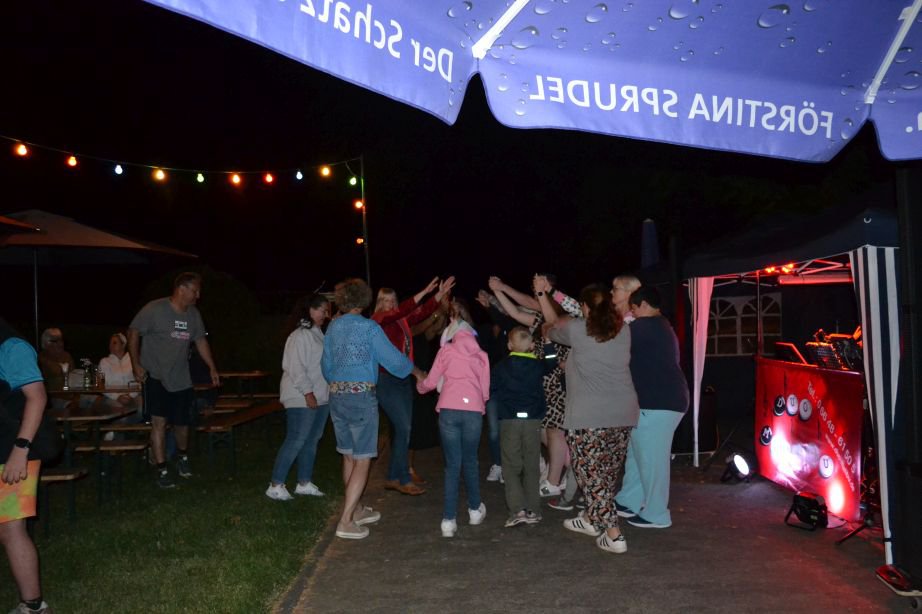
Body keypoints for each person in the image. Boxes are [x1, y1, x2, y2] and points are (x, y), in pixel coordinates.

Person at [321, 278, 425, 540]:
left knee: (348, 455)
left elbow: (326, 366)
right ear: (365, 300)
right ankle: (346, 521)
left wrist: (339, 382)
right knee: (363, 458)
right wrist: (417, 372)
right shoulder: (369, 328)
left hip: (337, 396)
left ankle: (355, 509)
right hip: (360, 397)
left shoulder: (333, 327)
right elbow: (394, 361)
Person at [547, 284, 639, 554]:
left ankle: (614, 535)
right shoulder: (624, 330)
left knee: (591, 475)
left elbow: (551, 328)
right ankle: (589, 519)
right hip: (623, 413)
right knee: (606, 472)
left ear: (585, 307)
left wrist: (548, 317)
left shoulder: (578, 329)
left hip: (589, 416)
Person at [128, 272, 219, 489]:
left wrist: (212, 367)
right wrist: (135, 364)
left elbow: (200, 340)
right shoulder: (155, 309)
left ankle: (182, 457)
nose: (198, 295)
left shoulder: (193, 314)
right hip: (156, 376)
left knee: (182, 423)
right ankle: (161, 469)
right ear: (181, 289)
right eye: (195, 290)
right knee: (159, 422)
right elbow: (133, 332)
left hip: (181, 378)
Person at [372, 276, 455, 496]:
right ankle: (403, 478)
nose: (390, 304)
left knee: (405, 429)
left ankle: (393, 477)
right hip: (387, 380)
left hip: (403, 379)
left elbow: (421, 313)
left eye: (393, 300)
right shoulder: (379, 319)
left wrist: (438, 295)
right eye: (385, 300)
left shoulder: (399, 320)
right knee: (404, 428)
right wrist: (424, 291)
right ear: (379, 303)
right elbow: (404, 309)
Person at [614, 286, 689, 529]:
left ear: (644, 305)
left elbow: (611, 340)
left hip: (658, 403)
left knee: (652, 460)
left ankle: (657, 513)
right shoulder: (660, 325)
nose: (632, 314)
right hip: (660, 402)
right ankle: (629, 500)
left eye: (634, 309)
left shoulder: (644, 326)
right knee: (637, 455)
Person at [0, 318, 53, 614]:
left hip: (14, 448)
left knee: (11, 527)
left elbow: (37, 397)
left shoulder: (11, 346)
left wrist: (20, 450)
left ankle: (33, 606)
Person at [417, 328, 490, 537]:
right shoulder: (481, 355)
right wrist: (477, 401)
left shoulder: (446, 351)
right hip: (473, 411)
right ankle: (474, 509)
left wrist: (420, 387)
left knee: (452, 465)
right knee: (470, 460)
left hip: (448, 409)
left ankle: (448, 520)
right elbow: (485, 389)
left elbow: (431, 382)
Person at [266, 294, 331, 501]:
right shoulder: (300, 335)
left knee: (311, 440)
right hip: (300, 396)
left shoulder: (318, 334)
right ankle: (276, 485)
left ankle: (304, 482)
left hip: (321, 397)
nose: (325, 315)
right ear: (310, 309)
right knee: (296, 439)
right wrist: (308, 392)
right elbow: (295, 367)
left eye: (327, 311)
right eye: (322, 310)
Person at [491, 326, 556, 528]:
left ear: (510, 345)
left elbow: (492, 388)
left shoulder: (501, 366)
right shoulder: (536, 365)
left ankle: (517, 510)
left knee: (510, 466)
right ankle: (533, 510)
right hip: (532, 421)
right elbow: (552, 363)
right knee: (531, 464)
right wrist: (548, 343)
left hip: (509, 419)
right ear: (531, 346)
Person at [98, 332, 138, 407]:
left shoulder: (133, 360)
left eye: (114, 343)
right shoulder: (104, 362)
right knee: (118, 407)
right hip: (112, 397)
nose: (111, 345)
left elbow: (140, 381)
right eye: (110, 343)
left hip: (133, 396)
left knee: (143, 406)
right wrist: (116, 397)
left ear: (123, 345)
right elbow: (101, 385)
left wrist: (131, 395)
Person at [36, 328, 73, 394]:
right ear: (46, 343)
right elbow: (56, 371)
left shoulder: (66, 355)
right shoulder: (41, 358)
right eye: (55, 341)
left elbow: (73, 374)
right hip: (53, 396)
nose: (60, 344)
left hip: (71, 393)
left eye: (61, 340)